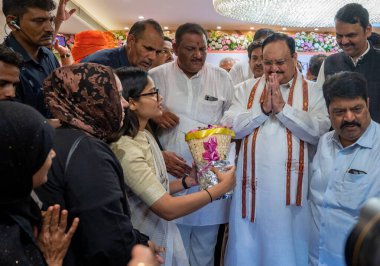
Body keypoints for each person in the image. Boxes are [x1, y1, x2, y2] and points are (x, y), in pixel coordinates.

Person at [35, 63, 160, 266]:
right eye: (117, 96)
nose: (125, 104)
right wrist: (140, 248)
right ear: (93, 100)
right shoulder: (88, 151)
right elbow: (107, 237)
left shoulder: (56, 136)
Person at [222, 33, 330, 266]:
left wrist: (283, 110)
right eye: (267, 62)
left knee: (290, 251)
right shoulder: (244, 90)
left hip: (294, 199)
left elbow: (319, 132)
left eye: (280, 62)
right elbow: (230, 128)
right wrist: (261, 111)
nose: (272, 69)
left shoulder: (314, 91)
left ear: (294, 58)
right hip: (250, 193)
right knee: (248, 251)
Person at [112, 67, 236, 266]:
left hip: (159, 232)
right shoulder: (125, 147)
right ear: (131, 102)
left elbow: (153, 188)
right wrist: (219, 189)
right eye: (153, 93)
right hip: (143, 241)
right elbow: (167, 208)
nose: (160, 98)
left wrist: (188, 181)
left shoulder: (144, 136)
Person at [149, 23, 235, 266]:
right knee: (170, 250)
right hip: (170, 175)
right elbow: (140, 123)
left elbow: (231, 122)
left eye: (203, 49)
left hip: (209, 179)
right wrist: (156, 117)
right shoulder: (157, 76)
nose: (198, 55)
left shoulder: (221, 77)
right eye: (190, 49)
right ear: (175, 48)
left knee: (204, 250)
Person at [309, 71, 380, 266]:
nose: (349, 118)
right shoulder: (324, 143)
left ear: (368, 103)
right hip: (316, 259)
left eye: (357, 109)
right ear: (328, 111)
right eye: (339, 112)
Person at [0, 101, 79, 266]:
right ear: (18, 158)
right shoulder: (8, 245)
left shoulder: (17, 208)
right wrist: (53, 260)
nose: (53, 154)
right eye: (42, 149)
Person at [2, 0, 73, 117]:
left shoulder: (48, 55)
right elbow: (14, 124)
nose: (50, 28)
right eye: (39, 21)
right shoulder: (4, 65)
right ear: (12, 22)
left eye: (50, 20)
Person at [316, 3, 380, 122]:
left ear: (368, 30)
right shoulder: (329, 63)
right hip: (336, 139)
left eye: (351, 35)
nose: (344, 41)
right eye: (339, 36)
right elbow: (319, 109)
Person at [81, 19, 164, 71]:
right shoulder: (99, 65)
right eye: (148, 48)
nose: (153, 57)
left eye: (157, 52)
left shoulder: (144, 71)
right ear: (131, 40)